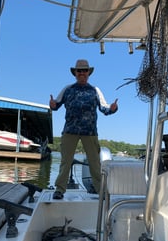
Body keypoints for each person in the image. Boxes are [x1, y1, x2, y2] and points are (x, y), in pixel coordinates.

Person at [50, 59, 118, 199]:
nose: (82, 73)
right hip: (70, 131)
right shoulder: (67, 89)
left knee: (94, 163)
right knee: (65, 162)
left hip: (90, 132)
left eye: (84, 70)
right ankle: (59, 189)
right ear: (75, 73)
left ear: (89, 73)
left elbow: (104, 109)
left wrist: (112, 109)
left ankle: (101, 190)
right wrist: (51, 105)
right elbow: (55, 106)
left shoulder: (95, 90)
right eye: (79, 70)